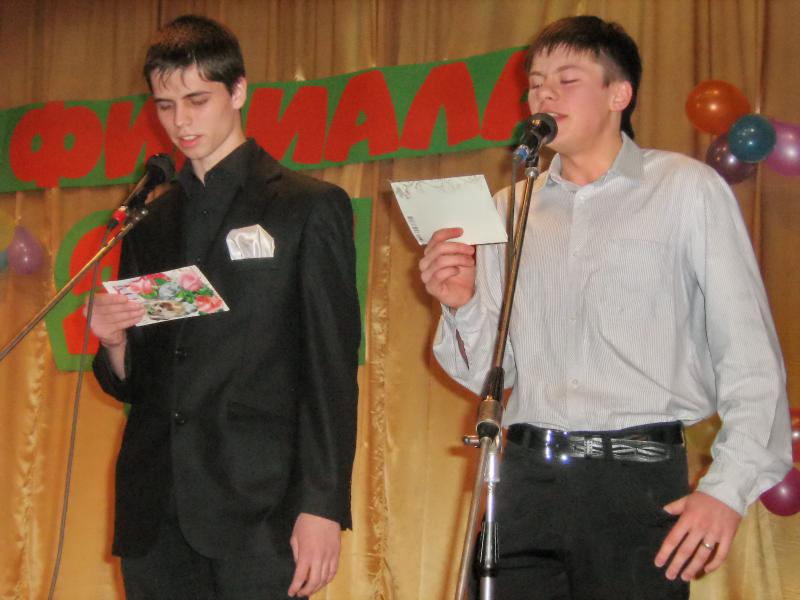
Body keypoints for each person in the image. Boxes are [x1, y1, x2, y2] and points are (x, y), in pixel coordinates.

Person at [419, 15, 792, 600]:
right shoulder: (511, 206)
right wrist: (461, 304)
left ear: (620, 94)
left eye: (566, 80)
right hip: (524, 481)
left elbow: (748, 352)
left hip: (637, 483)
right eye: (535, 84)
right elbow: (490, 374)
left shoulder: (685, 190)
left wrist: (727, 489)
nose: (544, 95)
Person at [88, 14, 360, 600]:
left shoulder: (306, 207)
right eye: (165, 106)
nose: (181, 122)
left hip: (261, 509)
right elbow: (141, 382)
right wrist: (114, 343)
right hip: (156, 511)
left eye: (197, 100)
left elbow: (331, 370)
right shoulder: (150, 220)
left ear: (238, 91)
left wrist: (323, 506)